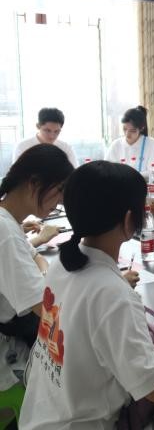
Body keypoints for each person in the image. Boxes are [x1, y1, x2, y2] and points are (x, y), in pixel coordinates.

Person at [20, 161, 154, 429]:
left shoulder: (62, 264)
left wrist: (142, 340)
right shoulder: (112, 294)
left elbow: (86, 322)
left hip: (39, 418)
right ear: (130, 220)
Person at [0, 144, 73, 396]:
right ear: (34, 183)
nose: (61, 200)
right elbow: (46, 310)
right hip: (8, 352)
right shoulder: (5, 231)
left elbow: (35, 256)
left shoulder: (7, 220)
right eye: (59, 190)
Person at [105, 105, 154, 178]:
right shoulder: (116, 144)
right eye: (124, 129)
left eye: (132, 131)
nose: (127, 134)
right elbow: (106, 170)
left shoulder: (151, 143)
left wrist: (131, 176)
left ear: (142, 128)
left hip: (142, 184)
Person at [13, 107, 78, 167]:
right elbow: (16, 174)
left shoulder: (65, 148)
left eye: (57, 131)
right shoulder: (23, 147)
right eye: (47, 130)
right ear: (38, 126)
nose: (52, 136)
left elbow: (75, 173)